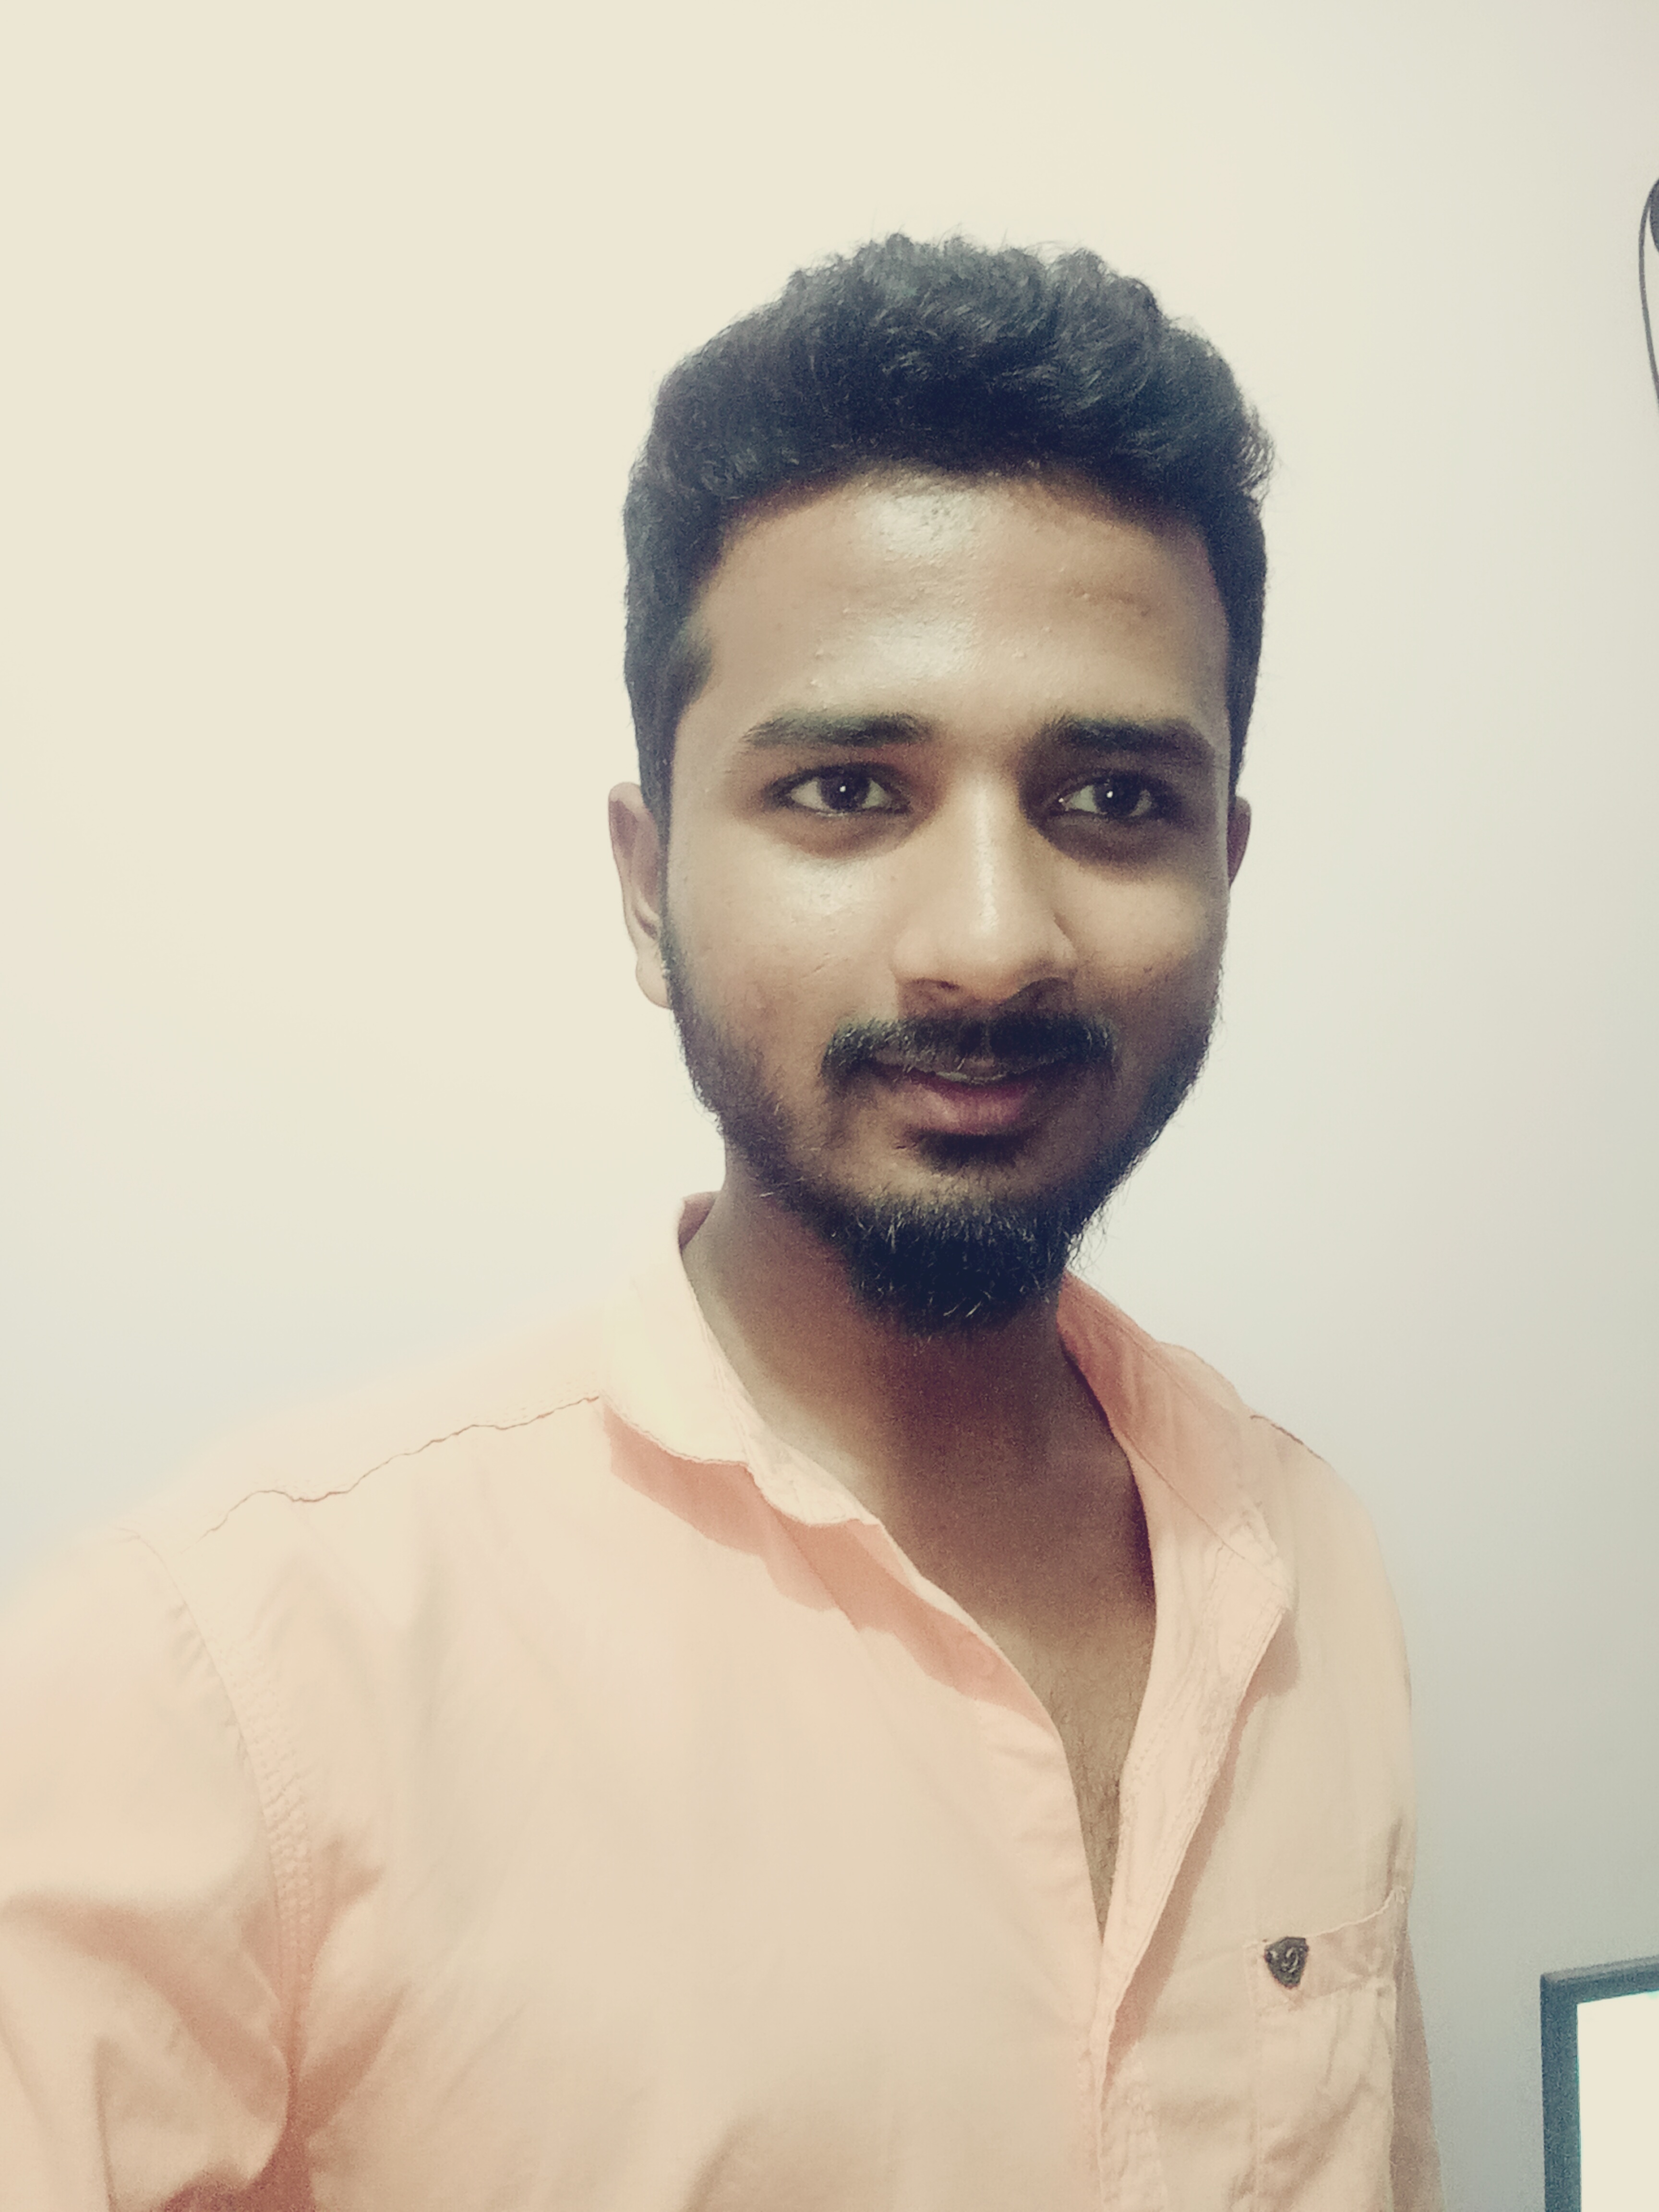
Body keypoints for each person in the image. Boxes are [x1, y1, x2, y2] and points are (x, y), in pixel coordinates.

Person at [0, 236, 1442, 2209]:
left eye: (1113, 800)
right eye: (848, 790)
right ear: (646, 883)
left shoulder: (1310, 1565)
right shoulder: (221, 1685)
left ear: (1224, 864)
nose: (990, 942)